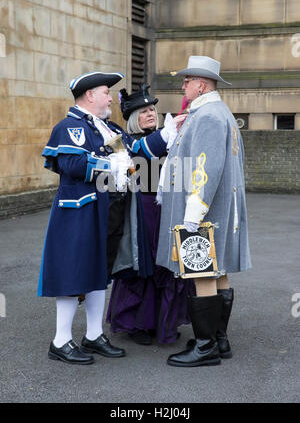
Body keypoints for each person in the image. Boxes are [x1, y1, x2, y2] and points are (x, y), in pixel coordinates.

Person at [38, 71, 172, 365]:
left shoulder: (107, 128)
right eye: (105, 93)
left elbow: (137, 151)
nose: (111, 98)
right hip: (81, 211)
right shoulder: (70, 127)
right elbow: (70, 163)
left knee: (100, 272)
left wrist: (167, 134)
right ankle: (60, 341)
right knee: (75, 274)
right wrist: (109, 164)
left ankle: (94, 335)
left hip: (110, 211)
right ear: (90, 96)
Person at [156, 56, 252, 367]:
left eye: (187, 80)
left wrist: (192, 215)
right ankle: (218, 339)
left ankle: (205, 346)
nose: (182, 85)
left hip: (204, 208)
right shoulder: (214, 111)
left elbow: (206, 169)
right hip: (217, 208)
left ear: (202, 84)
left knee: (202, 270)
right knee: (218, 269)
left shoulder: (208, 115)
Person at [106, 85, 195, 345]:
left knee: (166, 264)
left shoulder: (166, 136)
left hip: (168, 208)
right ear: (133, 116)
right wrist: (169, 134)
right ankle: (139, 324)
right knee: (141, 265)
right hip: (140, 210)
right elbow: (141, 152)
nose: (150, 114)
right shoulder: (123, 139)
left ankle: (164, 321)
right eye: (144, 111)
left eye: (153, 109)